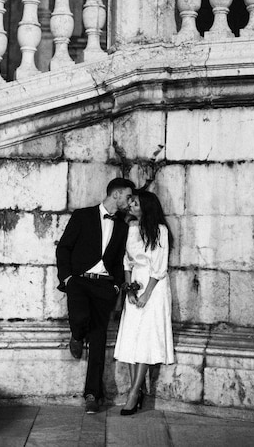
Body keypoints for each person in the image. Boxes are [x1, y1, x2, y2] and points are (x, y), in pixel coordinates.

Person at [56, 177, 135, 414]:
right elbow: (64, 247)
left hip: (105, 287)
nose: (129, 201)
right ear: (116, 194)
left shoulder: (122, 226)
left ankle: (93, 394)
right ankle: (77, 336)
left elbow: (122, 259)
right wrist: (67, 278)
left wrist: (116, 286)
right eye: (128, 196)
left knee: (99, 341)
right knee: (79, 318)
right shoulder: (83, 216)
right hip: (79, 282)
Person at [114, 189, 174, 416]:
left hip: (154, 287)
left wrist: (147, 294)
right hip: (135, 284)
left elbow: (159, 267)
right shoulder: (130, 228)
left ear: (146, 207)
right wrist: (129, 290)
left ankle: (133, 392)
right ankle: (136, 391)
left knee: (146, 339)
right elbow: (126, 262)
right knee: (131, 339)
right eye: (130, 203)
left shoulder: (160, 231)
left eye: (135, 203)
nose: (130, 206)